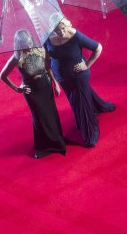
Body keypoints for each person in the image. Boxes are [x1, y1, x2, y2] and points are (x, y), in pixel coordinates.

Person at [44, 17, 115, 148]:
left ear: (66, 25)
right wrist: (54, 81)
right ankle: (98, 106)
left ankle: (90, 134)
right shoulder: (46, 38)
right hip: (62, 78)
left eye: (63, 28)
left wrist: (87, 65)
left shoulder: (75, 36)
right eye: (57, 30)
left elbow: (98, 48)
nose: (61, 32)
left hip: (78, 76)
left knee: (81, 102)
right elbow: (46, 60)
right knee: (76, 99)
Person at [0, 29, 66, 158]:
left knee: (52, 114)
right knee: (40, 119)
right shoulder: (16, 58)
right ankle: (43, 148)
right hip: (32, 92)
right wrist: (17, 88)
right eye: (26, 46)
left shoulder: (40, 49)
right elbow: (2, 75)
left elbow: (47, 67)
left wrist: (55, 83)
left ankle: (58, 142)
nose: (29, 47)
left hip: (45, 86)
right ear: (19, 45)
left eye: (30, 43)